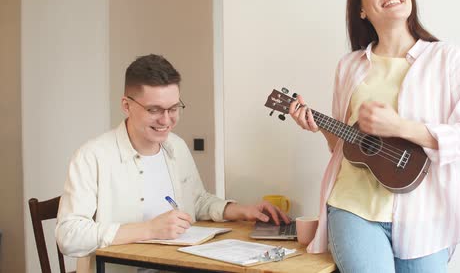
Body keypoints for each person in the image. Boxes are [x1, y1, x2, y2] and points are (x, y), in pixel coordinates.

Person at [289, 0, 460, 273]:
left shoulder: (446, 58)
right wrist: (318, 127)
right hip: (353, 208)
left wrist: (400, 127)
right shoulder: (349, 66)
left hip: (424, 214)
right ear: (362, 9)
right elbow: (345, 145)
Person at [56, 54, 289, 273]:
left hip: (180, 263)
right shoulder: (92, 156)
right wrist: (148, 230)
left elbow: (196, 200)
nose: (166, 120)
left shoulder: (175, 146)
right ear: (126, 105)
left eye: (174, 108)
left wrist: (241, 211)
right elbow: (68, 236)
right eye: (154, 109)